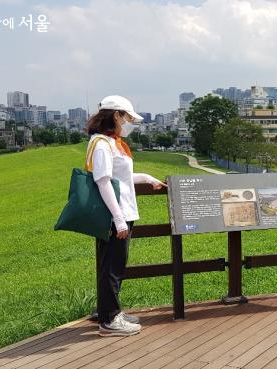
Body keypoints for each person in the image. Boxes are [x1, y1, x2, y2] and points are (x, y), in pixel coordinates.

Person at [86, 95, 166, 337]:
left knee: (112, 265)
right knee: (113, 266)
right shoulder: (102, 143)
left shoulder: (111, 142)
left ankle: (109, 312)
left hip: (120, 212)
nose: (130, 122)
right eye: (128, 118)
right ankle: (110, 320)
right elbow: (103, 181)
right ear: (116, 115)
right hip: (115, 215)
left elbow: (119, 177)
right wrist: (119, 219)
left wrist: (145, 178)